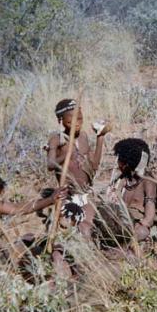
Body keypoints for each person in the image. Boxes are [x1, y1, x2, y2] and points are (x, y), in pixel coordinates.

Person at [46, 98, 111, 238]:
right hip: (66, 196)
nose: (77, 123)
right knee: (64, 230)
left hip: (85, 195)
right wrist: (68, 154)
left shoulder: (83, 137)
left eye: (80, 119)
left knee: (86, 229)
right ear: (60, 120)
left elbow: (94, 166)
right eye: (71, 120)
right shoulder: (57, 140)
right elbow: (50, 165)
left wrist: (100, 138)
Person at [99, 138, 157, 257]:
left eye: (120, 160)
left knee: (142, 232)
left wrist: (140, 225)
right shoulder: (122, 179)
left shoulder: (148, 182)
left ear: (127, 164)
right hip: (120, 223)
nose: (117, 163)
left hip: (135, 226)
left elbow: (148, 216)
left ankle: (121, 249)